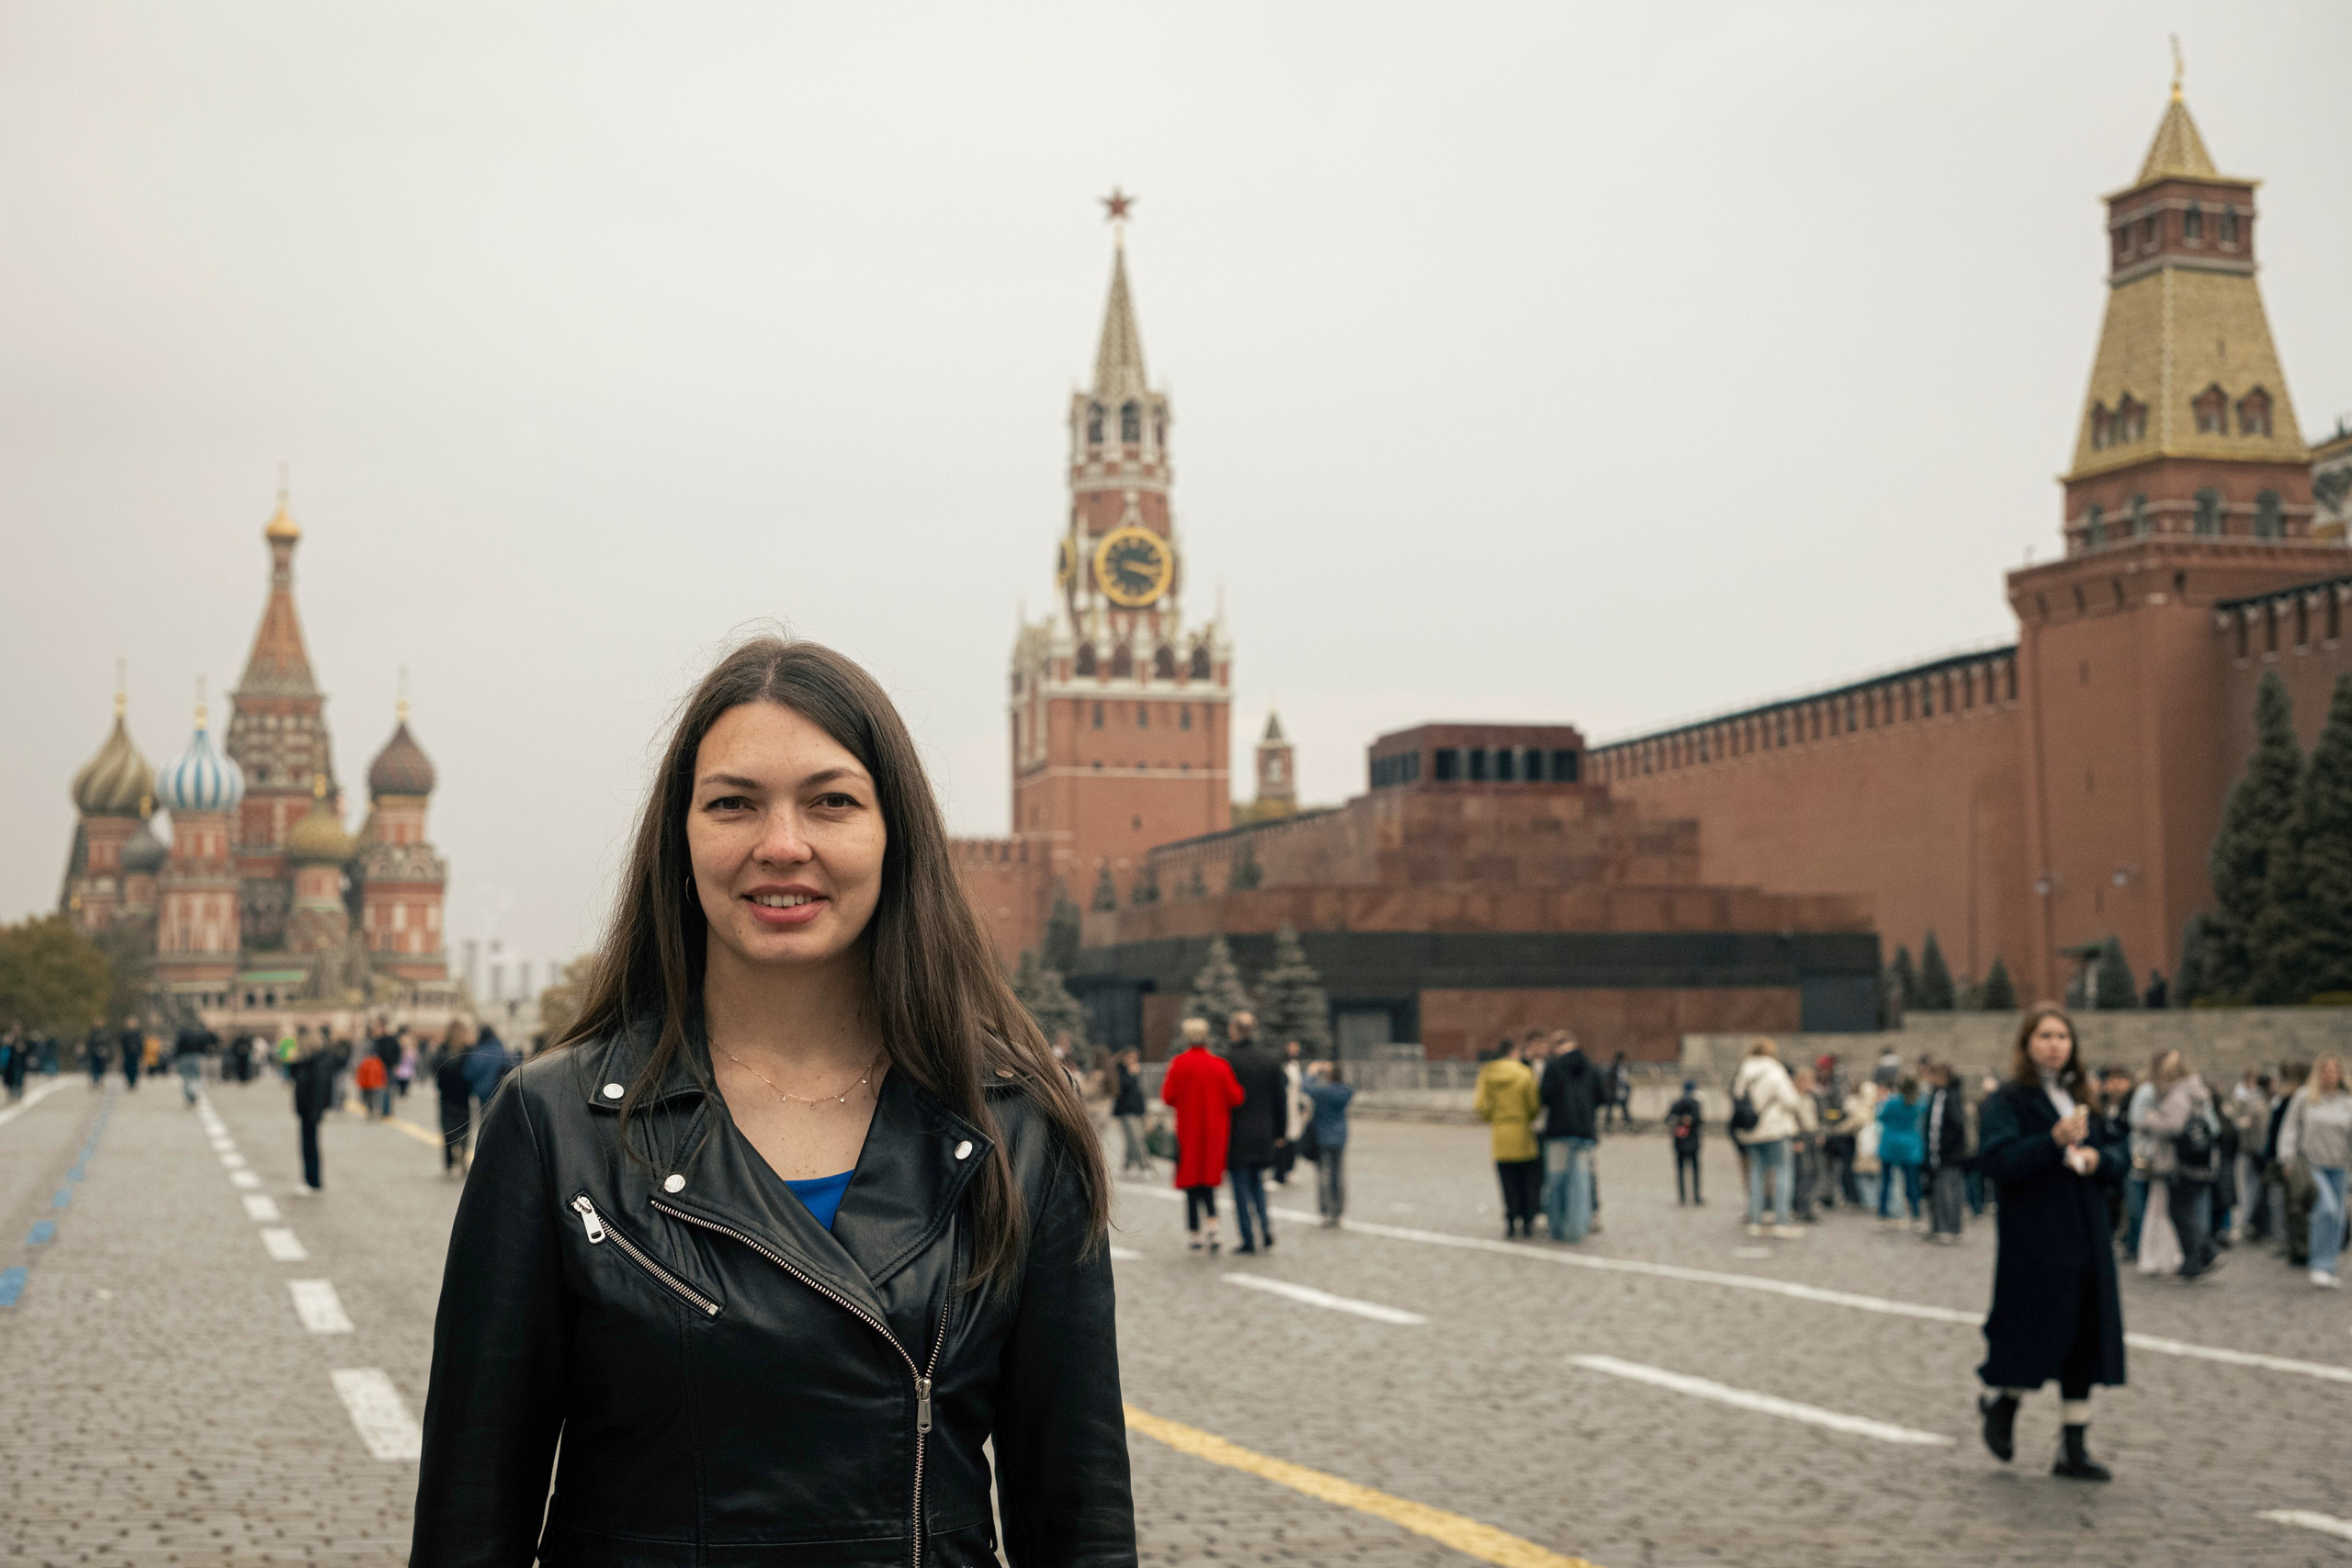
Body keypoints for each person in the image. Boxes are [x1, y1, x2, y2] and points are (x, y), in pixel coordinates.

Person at [411, 637, 1132, 1565]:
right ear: (680, 839)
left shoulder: (1018, 1131)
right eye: (733, 804)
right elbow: (470, 1526)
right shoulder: (555, 1128)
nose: (781, 845)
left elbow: (1080, 1524)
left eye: (831, 802)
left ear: (895, 836)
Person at [1976, 1004, 2127, 1482]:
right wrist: (2052, 1141)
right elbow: (1998, 1161)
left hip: (2087, 1230)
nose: (2055, 1045)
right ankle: (2004, 1404)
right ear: (2026, 1043)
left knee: (2085, 1333)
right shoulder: (2008, 1100)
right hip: (2036, 1235)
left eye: (2062, 1036)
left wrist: (2098, 1160)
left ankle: (2073, 1446)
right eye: (2044, 1036)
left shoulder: (2082, 1095)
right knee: (2035, 1328)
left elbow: (2120, 1150)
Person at [1162, 1016, 1244, 1255]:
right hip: (1214, 1133)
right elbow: (1236, 1096)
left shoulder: (1179, 1064)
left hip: (1188, 1132)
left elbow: (1168, 1096)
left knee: (1191, 1184)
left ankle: (1195, 1234)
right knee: (1209, 1181)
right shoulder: (1219, 1065)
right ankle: (1214, 1227)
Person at [2140, 1048, 2222, 1280]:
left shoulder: (2177, 1095)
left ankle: (2196, 1259)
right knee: (2187, 1212)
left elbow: (2174, 1125)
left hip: (2179, 1163)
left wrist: (2151, 1120)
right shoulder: (2195, 1092)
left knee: (2181, 1213)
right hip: (2197, 1161)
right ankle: (2203, 1253)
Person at [2278, 1055, 2351, 1288]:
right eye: (2325, 1070)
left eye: (2334, 1070)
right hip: (2312, 1164)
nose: (2330, 1074)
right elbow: (2290, 1128)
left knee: (2338, 1217)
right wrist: (2287, 1158)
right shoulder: (2304, 1097)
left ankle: (2329, 1265)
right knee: (2326, 1209)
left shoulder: (2347, 1100)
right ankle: (2318, 1263)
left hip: (2339, 1165)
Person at [1221, 1010, 1286, 1255]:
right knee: (1259, 1183)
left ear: (1235, 1029)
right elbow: (1279, 1098)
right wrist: (1280, 1131)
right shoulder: (1269, 1059)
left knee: (1240, 1188)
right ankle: (1266, 1229)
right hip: (1264, 1131)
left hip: (1236, 1132)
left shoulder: (1228, 1060)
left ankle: (1248, 1237)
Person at [1731, 1038, 1805, 1240]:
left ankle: (1755, 1219)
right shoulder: (1775, 1071)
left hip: (1751, 1130)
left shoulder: (1743, 1072)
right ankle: (1782, 1220)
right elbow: (1791, 1100)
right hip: (1774, 1129)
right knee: (1782, 1171)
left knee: (1756, 1173)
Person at [1537, 1032, 1603, 1242]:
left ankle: (1557, 1226)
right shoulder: (1590, 1067)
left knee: (1557, 1181)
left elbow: (1544, 1096)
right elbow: (1602, 1096)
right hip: (1585, 1132)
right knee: (1582, 1181)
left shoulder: (1553, 1068)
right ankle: (1580, 1225)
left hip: (1558, 1133)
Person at [1474, 1038, 1542, 1239]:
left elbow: (1479, 1105)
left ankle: (1511, 1219)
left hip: (1501, 1132)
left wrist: (1494, 1117)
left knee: (1507, 1180)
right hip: (1522, 1131)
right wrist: (1527, 1117)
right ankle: (1527, 1221)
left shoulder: (1488, 1073)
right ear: (1514, 1052)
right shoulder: (1524, 1073)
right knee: (1527, 1178)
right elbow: (1533, 1104)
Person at [1301, 1061, 1354, 1225]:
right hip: (1340, 1137)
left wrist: (1312, 1072)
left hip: (1322, 1137)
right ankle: (1338, 1211)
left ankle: (1325, 1210)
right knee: (1338, 1175)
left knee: (1324, 1175)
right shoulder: (1346, 1091)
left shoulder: (1322, 1092)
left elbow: (1305, 1087)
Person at [1923, 1063, 1969, 1243]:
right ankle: (1941, 1227)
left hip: (1947, 1155)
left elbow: (1954, 1126)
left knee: (1947, 1192)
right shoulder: (1939, 1095)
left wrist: (1944, 1149)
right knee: (1941, 1191)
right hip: (1941, 1153)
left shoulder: (1948, 1096)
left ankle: (1948, 1229)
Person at [288, 1032, 335, 1195]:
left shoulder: (319, 1063)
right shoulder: (309, 1062)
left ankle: (313, 1181)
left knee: (310, 1146)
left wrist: (316, 1112)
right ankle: (310, 1180)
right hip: (306, 1109)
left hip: (311, 1111)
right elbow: (294, 1074)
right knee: (307, 1146)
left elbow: (320, 1090)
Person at [1875, 1077, 1926, 1227]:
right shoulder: (1918, 1103)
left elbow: (1881, 1117)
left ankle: (1883, 1212)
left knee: (1886, 1181)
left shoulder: (1893, 1102)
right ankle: (1915, 1213)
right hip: (1909, 1146)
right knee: (1912, 1182)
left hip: (1890, 1144)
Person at [433, 1020, 475, 1176]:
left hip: (446, 1095)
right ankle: (462, 1152)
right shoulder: (468, 1051)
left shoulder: (442, 1049)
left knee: (447, 1129)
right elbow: (472, 1072)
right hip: (463, 1096)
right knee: (464, 1127)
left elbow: (435, 1068)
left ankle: (449, 1163)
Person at [1789, 1065, 1823, 1223]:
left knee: (1814, 1172)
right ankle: (1799, 1206)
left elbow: (1818, 1116)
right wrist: (1796, 1139)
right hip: (1800, 1137)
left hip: (1812, 1136)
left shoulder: (1813, 1097)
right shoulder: (1792, 1097)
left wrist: (1820, 1132)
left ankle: (1809, 1204)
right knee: (1802, 1173)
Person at [1111, 1048, 1152, 1177]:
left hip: (1136, 1110)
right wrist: (1131, 1075)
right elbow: (1121, 1089)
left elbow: (1140, 1093)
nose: (1133, 1060)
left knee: (1133, 1139)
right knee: (1136, 1138)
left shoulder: (1136, 1072)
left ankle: (1127, 1165)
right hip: (1126, 1110)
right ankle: (1144, 1165)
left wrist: (1144, 1110)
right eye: (1130, 1057)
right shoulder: (1120, 1071)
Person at [1275, 1041, 1309, 1186]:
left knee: (1294, 1140)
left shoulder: (1295, 1066)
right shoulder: (1281, 1066)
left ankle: (1290, 1169)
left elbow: (1299, 1087)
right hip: (1284, 1107)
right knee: (1283, 1139)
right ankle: (1279, 1173)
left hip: (1294, 1108)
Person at [1668, 1079, 1703, 1204]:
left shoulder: (1676, 1103)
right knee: (1695, 1170)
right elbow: (1700, 1121)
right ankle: (1696, 1196)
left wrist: (1678, 1121)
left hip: (1680, 1142)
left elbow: (1668, 1119)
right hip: (1693, 1142)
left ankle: (1682, 1196)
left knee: (1681, 1170)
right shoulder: (1695, 1104)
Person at [354, 1050, 389, 1120]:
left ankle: (371, 1112)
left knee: (370, 1100)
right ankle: (376, 1112)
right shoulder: (378, 1062)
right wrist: (384, 1083)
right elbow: (383, 1074)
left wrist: (360, 1084)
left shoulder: (365, 1062)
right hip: (376, 1084)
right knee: (376, 1099)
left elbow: (361, 1074)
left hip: (368, 1085)